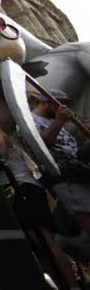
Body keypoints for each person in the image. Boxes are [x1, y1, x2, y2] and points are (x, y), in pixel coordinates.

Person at [0, 98, 86, 290]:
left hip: (24, 187)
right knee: (37, 248)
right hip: (12, 191)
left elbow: (1, 155)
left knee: (45, 241)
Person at [28, 89, 90, 259]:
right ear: (46, 102)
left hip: (79, 175)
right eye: (61, 103)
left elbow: (73, 153)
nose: (65, 107)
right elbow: (42, 143)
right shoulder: (30, 120)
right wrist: (60, 120)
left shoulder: (53, 121)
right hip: (66, 179)